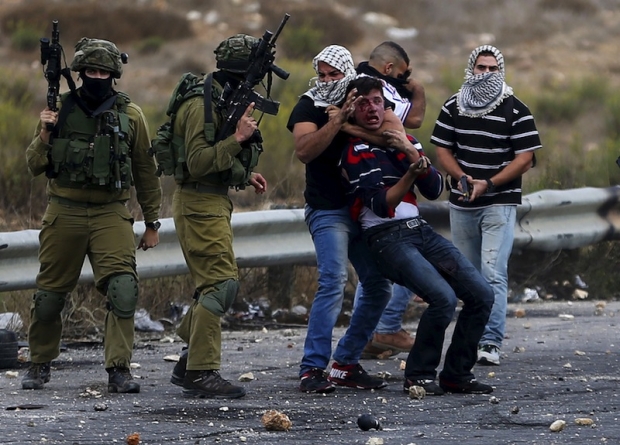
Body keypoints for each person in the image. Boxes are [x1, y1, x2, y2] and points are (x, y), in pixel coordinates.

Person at [340, 75, 496, 395]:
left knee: (482, 294)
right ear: (352, 110)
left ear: (387, 105)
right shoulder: (354, 150)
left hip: (418, 230)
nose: (372, 108)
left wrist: (411, 154)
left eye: (377, 101)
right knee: (443, 298)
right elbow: (381, 205)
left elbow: (436, 189)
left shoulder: (404, 140)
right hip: (385, 236)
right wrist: (411, 172)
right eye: (363, 103)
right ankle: (419, 374)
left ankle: (456, 374)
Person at [23, 38, 162, 393]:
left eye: (103, 71)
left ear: (113, 74)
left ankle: (119, 369)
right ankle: (39, 363)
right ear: (80, 72)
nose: (96, 77)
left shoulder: (130, 115)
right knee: (49, 296)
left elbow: (146, 171)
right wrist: (44, 133)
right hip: (64, 211)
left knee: (123, 289)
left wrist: (151, 223)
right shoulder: (62, 110)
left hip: (110, 213)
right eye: (90, 71)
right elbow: (34, 164)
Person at [286, 45, 394, 393]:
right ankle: (312, 368)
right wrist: (334, 122)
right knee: (332, 281)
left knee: (378, 284)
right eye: (323, 75)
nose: (329, 81)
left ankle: (346, 362)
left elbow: (392, 135)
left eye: (335, 74)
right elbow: (304, 150)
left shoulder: (364, 96)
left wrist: (352, 124)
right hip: (328, 208)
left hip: (363, 208)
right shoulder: (308, 104)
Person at [167, 34, 268, 399]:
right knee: (220, 285)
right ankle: (201, 371)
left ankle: (189, 360)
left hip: (211, 201)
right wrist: (238, 139)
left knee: (218, 285)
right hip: (197, 203)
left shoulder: (221, 99)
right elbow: (196, 164)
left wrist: (243, 173)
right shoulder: (201, 104)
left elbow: (214, 163)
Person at [432, 45, 542, 366]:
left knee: (493, 272)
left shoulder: (516, 109)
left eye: (493, 69)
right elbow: (442, 148)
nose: (486, 74)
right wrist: (461, 176)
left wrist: (490, 183)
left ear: (501, 71)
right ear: (472, 68)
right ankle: (468, 341)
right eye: (481, 67)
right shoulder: (454, 106)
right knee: (467, 275)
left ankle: (491, 341)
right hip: (463, 202)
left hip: (500, 201)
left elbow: (525, 158)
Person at [353, 41, 427, 357]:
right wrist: (419, 91)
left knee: (373, 275)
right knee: (405, 263)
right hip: (376, 183)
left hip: (363, 183)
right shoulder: (380, 89)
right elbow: (406, 126)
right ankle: (384, 329)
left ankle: (367, 335)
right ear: (388, 68)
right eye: (402, 72)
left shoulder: (354, 82)